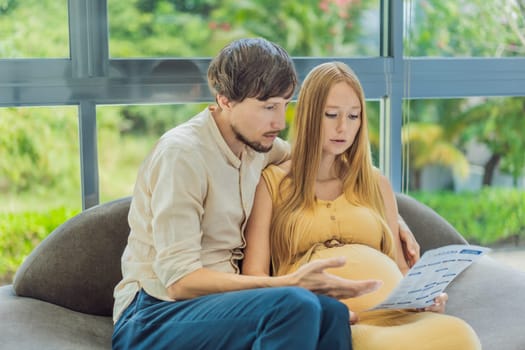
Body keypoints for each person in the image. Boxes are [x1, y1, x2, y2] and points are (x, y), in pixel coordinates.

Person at [112, 38, 388, 350]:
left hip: (220, 308)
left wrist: (393, 221)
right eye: (268, 107)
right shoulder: (183, 154)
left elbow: (312, 158)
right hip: (152, 315)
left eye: (284, 105)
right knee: (294, 305)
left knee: (332, 313)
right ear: (226, 100)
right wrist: (285, 284)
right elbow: (180, 282)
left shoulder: (258, 145)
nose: (279, 122)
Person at [242, 62, 482, 349]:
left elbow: (400, 267)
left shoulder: (376, 183)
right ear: (308, 115)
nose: (343, 127)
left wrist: (426, 298)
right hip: (337, 321)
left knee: (461, 335)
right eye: (331, 115)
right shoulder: (273, 184)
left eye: (353, 116)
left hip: (399, 313)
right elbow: (254, 276)